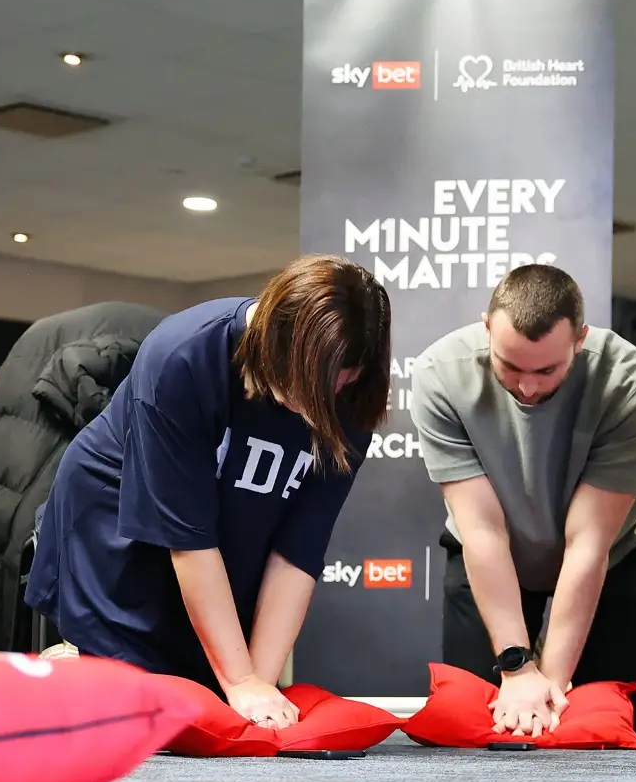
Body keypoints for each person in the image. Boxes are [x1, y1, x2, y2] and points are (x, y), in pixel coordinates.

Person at [25, 256, 390, 730]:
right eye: (298, 381)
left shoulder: (355, 402)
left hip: (227, 529)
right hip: (121, 524)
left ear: (355, 374)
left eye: (329, 387)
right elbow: (187, 537)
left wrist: (257, 682)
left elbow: (297, 552)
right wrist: (239, 682)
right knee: (143, 707)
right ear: (270, 336)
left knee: (216, 699)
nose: (307, 403)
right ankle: (75, 663)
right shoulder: (183, 354)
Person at [410, 264, 636, 737]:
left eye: (548, 370)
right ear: (487, 328)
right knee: (472, 719)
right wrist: (515, 669)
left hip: (610, 558)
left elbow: (589, 542)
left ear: (580, 340)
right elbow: (483, 531)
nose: (528, 387)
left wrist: (549, 683)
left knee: (609, 722)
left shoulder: (632, 384)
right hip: (495, 551)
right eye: (510, 366)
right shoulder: (438, 376)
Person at [0, 301, 165, 648]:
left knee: (39, 688)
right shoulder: (175, 354)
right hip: (124, 592)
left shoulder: (29, 348)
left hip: (23, 564)